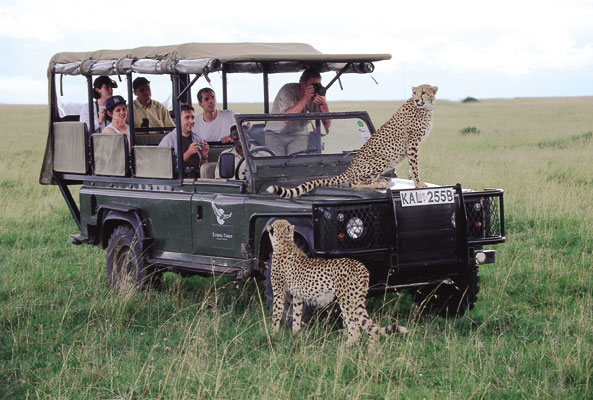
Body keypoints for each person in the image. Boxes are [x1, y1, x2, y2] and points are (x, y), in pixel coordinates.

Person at [264, 68, 331, 155]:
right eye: (313, 85)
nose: (316, 88)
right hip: (276, 134)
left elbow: (327, 125)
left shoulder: (315, 95)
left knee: (298, 163)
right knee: (276, 164)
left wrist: (323, 104)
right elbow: (287, 119)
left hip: (299, 134)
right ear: (303, 84)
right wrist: (305, 98)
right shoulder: (287, 91)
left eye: (319, 85)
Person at [159, 104, 209, 177]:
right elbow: (163, 168)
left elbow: (204, 170)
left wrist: (204, 156)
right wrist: (188, 153)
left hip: (197, 179)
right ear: (177, 120)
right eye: (187, 118)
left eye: (192, 117)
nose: (191, 121)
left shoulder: (197, 139)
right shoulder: (168, 140)